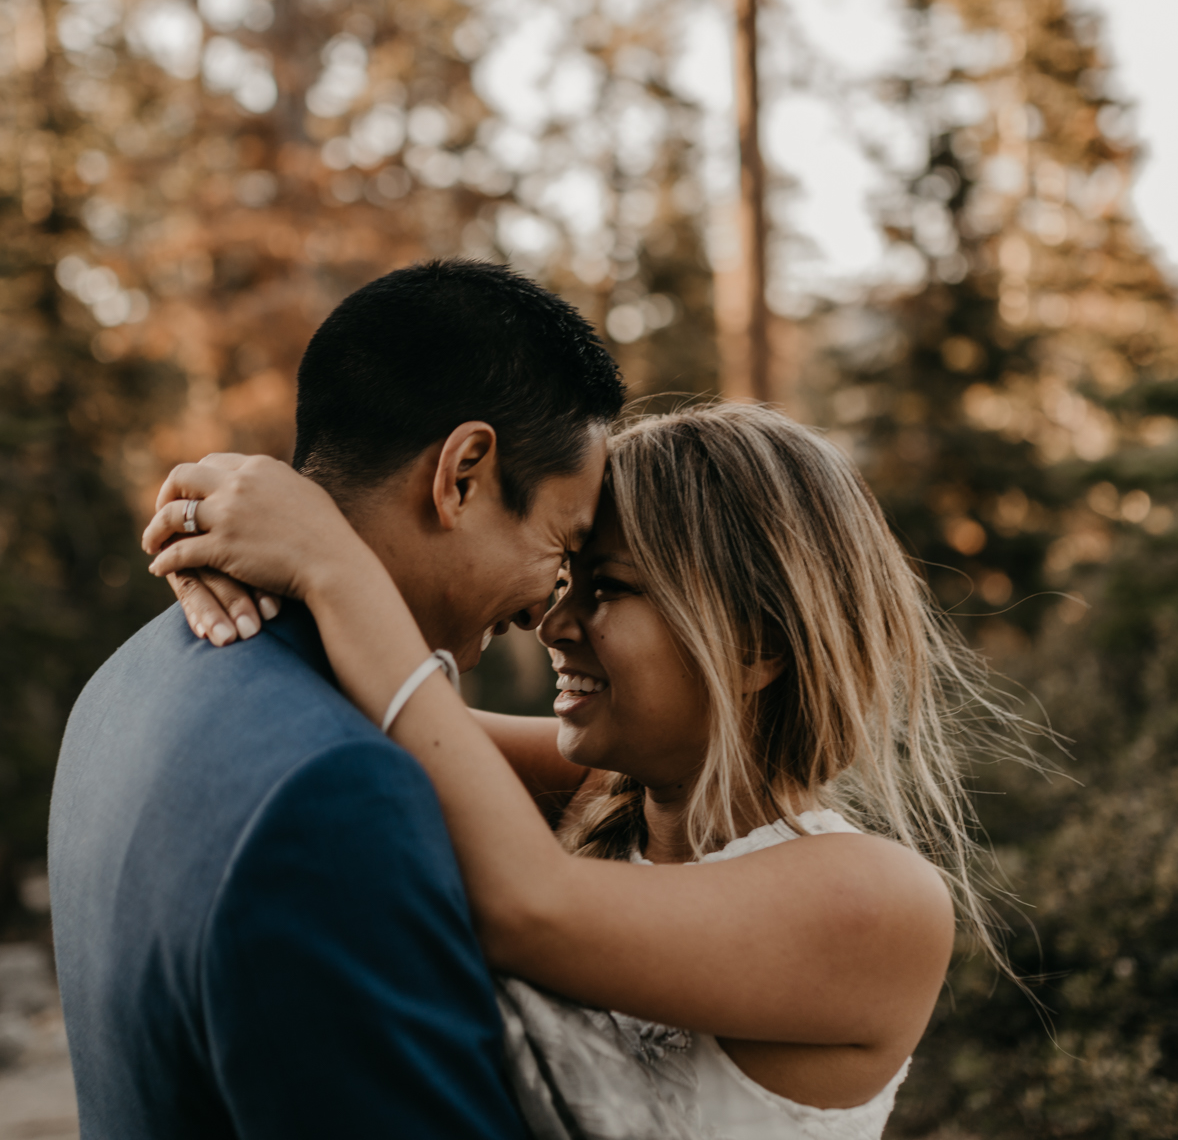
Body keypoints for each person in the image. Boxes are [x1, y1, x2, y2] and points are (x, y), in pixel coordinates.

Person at [146, 402, 1027, 1140]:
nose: (554, 622)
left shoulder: (876, 902)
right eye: (566, 579)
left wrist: (331, 562)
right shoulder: (612, 799)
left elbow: (527, 907)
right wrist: (229, 507)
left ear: (756, 641)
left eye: (606, 587)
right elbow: (385, 712)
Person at [47, 260, 626, 1139]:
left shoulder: (126, 678)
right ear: (463, 474)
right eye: (564, 542)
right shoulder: (339, 793)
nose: (551, 603)